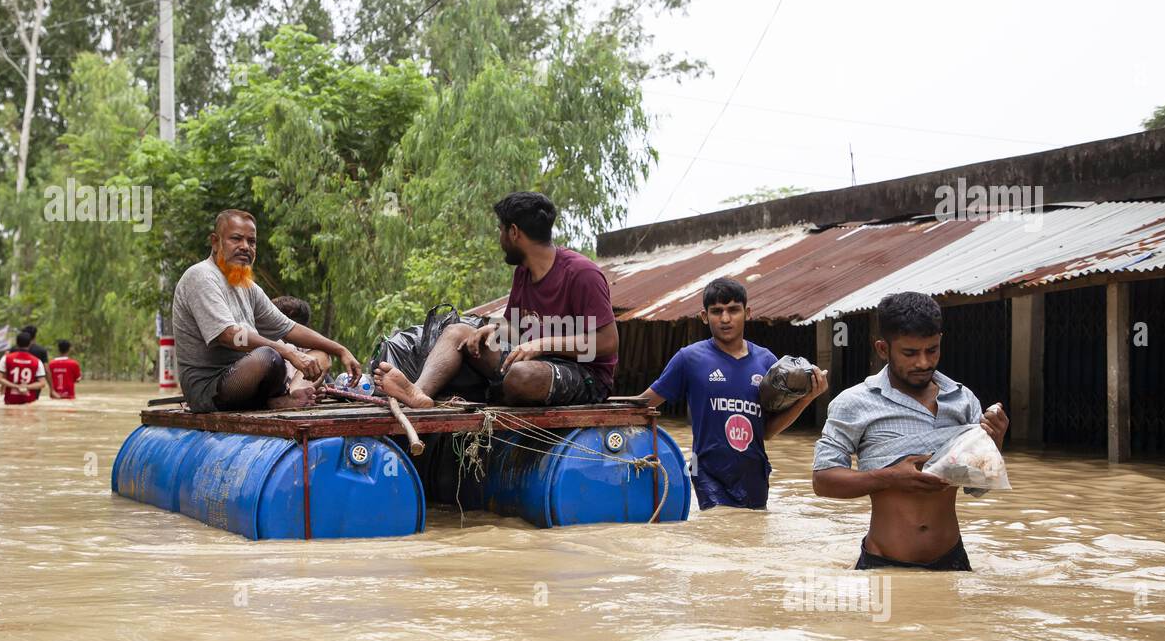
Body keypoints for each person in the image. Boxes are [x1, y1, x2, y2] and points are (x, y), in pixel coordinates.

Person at [811, 292, 1009, 571]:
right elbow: (822, 481)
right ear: (882, 348)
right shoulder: (854, 403)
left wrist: (994, 444)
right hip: (883, 562)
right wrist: (890, 477)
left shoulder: (962, 400)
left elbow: (976, 488)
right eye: (910, 353)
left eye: (932, 350)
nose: (924, 363)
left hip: (952, 560)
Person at [376, 192, 618, 408]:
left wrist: (541, 344)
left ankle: (497, 395)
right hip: (535, 360)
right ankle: (419, 392)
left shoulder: (581, 274)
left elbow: (608, 342)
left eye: (500, 230)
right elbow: (514, 328)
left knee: (520, 376)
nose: (499, 238)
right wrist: (491, 329)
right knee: (458, 331)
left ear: (514, 232)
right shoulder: (523, 272)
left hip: (586, 375)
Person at [635, 278, 828, 511]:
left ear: (747, 313)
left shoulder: (767, 362)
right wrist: (602, 414)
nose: (725, 319)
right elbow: (643, 404)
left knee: (748, 538)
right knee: (718, 526)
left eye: (733, 310)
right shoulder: (689, 359)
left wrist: (806, 399)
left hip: (754, 472)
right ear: (704, 316)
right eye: (717, 311)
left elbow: (766, 431)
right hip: (706, 472)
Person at [171, 209, 362, 413]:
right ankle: (276, 400)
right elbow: (229, 336)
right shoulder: (201, 277)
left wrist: (340, 350)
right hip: (211, 390)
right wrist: (287, 352)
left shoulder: (247, 286)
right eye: (236, 239)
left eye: (251, 241)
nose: (245, 247)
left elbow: (289, 328)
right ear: (215, 242)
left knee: (320, 354)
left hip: (253, 380)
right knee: (267, 356)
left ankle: (293, 395)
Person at [270, 296, 331, 397]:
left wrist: (316, 387)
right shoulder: (272, 343)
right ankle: (293, 395)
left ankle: (295, 395)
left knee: (321, 355)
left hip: (288, 390)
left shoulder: (307, 350)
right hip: (273, 392)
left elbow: (325, 381)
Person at [0, 331, 46, 405]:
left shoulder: (6, 358)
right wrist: (26, 387)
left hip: (10, 400)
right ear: (30, 343)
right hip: (29, 401)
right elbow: (42, 383)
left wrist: (15, 386)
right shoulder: (37, 361)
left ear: (17, 343)